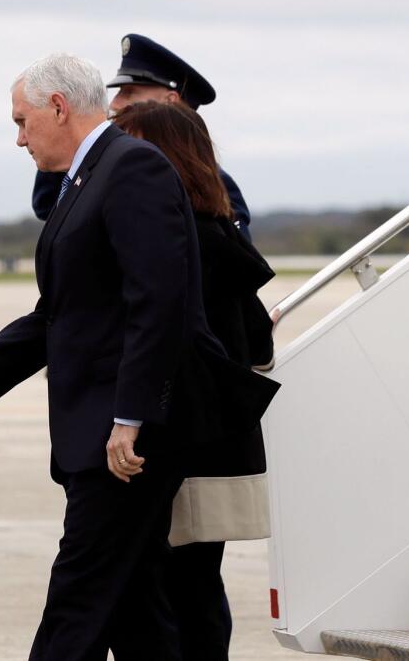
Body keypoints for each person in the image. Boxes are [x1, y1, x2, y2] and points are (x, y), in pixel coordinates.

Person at [0, 54, 277, 660]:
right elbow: (57, 315)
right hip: (105, 433)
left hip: (126, 442)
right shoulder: (89, 177)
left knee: (79, 603)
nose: (19, 138)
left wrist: (130, 418)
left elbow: (159, 304)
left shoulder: (132, 166)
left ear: (59, 108)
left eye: (22, 121)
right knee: (137, 612)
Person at [111, 100, 276, 661]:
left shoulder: (179, 243)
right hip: (218, 441)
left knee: (159, 590)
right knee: (198, 586)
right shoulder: (224, 236)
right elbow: (258, 342)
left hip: (177, 438)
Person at [32, 33, 253, 240]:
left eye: (129, 92)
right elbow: (46, 204)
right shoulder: (107, 166)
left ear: (170, 101)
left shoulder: (212, 182)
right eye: (118, 92)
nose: (115, 103)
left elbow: (232, 267)